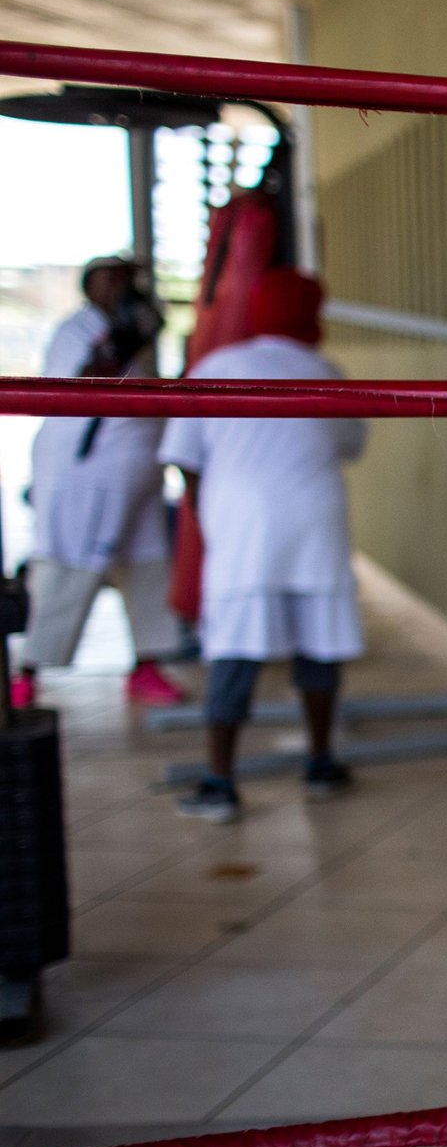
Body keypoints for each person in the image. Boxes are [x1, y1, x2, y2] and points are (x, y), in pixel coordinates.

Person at [159, 269, 366, 823]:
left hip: (244, 526)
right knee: (317, 644)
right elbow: (351, 445)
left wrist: (209, 517)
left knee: (233, 650)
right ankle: (321, 763)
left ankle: (219, 783)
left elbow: (185, 457)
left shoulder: (217, 367)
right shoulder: (327, 372)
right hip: (314, 521)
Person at [10, 255, 186, 709]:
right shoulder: (76, 331)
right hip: (86, 473)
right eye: (112, 280)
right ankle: (29, 669)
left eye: (128, 280)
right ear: (90, 287)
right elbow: (87, 382)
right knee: (70, 567)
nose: (123, 288)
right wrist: (125, 335)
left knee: (147, 566)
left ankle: (147, 665)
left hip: (138, 470)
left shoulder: (136, 328)